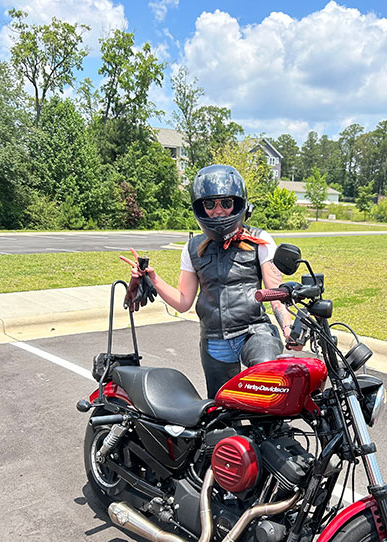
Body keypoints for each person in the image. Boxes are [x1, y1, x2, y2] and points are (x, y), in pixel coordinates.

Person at [124, 164, 294, 398]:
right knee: (222, 411)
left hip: (253, 332)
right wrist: (154, 279)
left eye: (226, 203)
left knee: (266, 390)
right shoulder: (193, 248)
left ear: (238, 203)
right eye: (210, 204)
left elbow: (276, 295)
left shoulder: (260, 240)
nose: (218, 211)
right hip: (215, 339)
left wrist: (287, 327)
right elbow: (183, 301)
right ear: (200, 207)